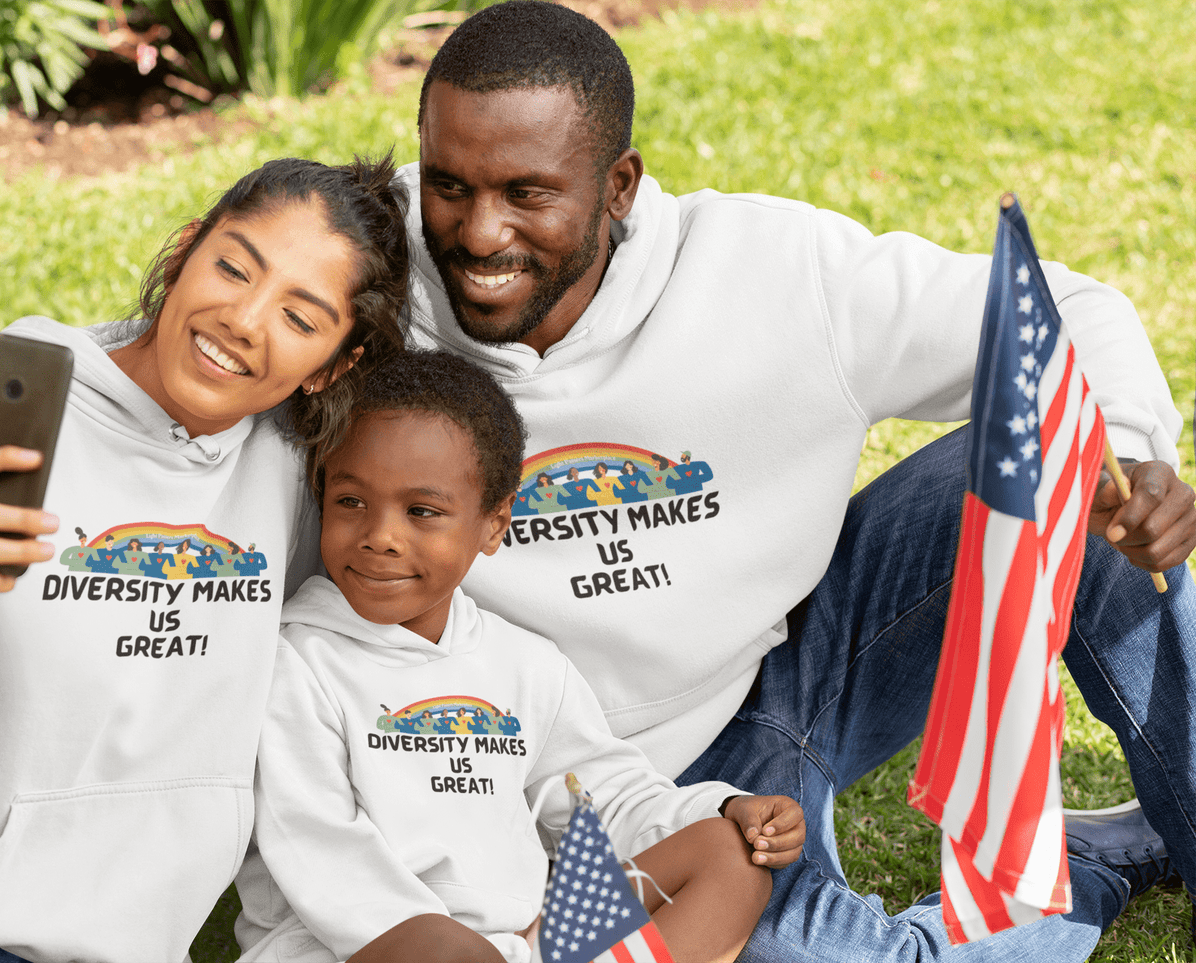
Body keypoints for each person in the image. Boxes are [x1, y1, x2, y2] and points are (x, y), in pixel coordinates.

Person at [396, 2, 1196, 959]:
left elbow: (1065, 310)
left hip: (800, 663)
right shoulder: (360, 289)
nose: (479, 233)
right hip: (601, 801)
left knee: (1081, 475)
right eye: (449, 185)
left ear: (618, 187)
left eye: (526, 194)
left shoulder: (770, 271)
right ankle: (1085, 867)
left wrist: (1137, 450)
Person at [0, 155, 409, 962]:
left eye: (300, 319)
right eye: (233, 267)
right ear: (184, 252)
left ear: (335, 366)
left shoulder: (295, 473)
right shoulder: (3, 414)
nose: (244, 317)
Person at [234, 350, 803, 963]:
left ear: (492, 524)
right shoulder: (296, 659)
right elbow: (318, 849)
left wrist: (723, 807)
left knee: (725, 856)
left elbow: (604, 799)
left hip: (523, 948)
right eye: (351, 502)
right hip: (348, 948)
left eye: (421, 511)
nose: (381, 535)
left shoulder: (526, 665)